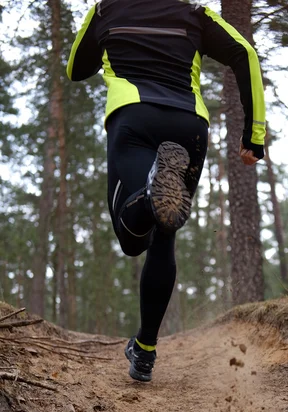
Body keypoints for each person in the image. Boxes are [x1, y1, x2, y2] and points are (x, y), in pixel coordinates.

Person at [67, 0, 266, 383]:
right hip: (188, 126)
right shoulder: (194, 14)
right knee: (164, 235)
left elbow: (76, 69)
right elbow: (245, 54)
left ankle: (147, 193)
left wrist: (113, 39)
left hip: (134, 117)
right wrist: (253, 135)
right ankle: (144, 351)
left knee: (131, 238)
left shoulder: (106, 10)